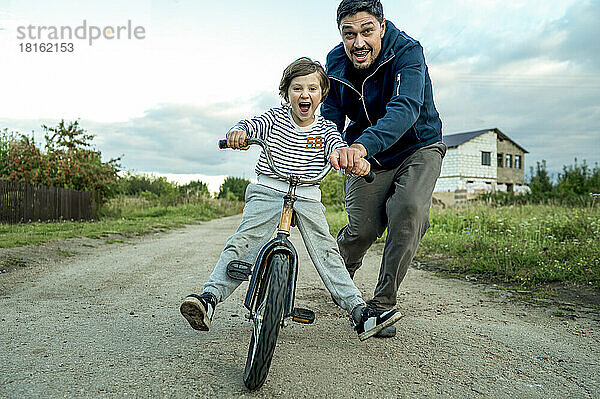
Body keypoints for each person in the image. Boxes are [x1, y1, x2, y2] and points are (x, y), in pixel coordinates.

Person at [180, 57, 403, 340]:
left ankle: (359, 312)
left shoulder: (325, 130)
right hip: (270, 189)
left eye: (312, 88)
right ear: (286, 93)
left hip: (308, 194)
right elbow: (251, 125)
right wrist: (240, 133)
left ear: (322, 94)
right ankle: (209, 299)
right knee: (244, 241)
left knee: (327, 252)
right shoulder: (274, 119)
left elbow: (337, 148)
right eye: (297, 88)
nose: (305, 94)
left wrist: (346, 159)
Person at [322, 0, 447, 337]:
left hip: (417, 145)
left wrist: (362, 145)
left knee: (407, 208)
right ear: (340, 34)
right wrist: (331, 145)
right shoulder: (334, 62)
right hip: (368, 155)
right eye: (349, 34)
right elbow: (330, 114)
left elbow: (406, 108)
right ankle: (339, 281)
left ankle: (382, 303)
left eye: (366, 31)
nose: (358, 43)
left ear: (382, 25)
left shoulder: (407, 51)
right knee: (362, 228)